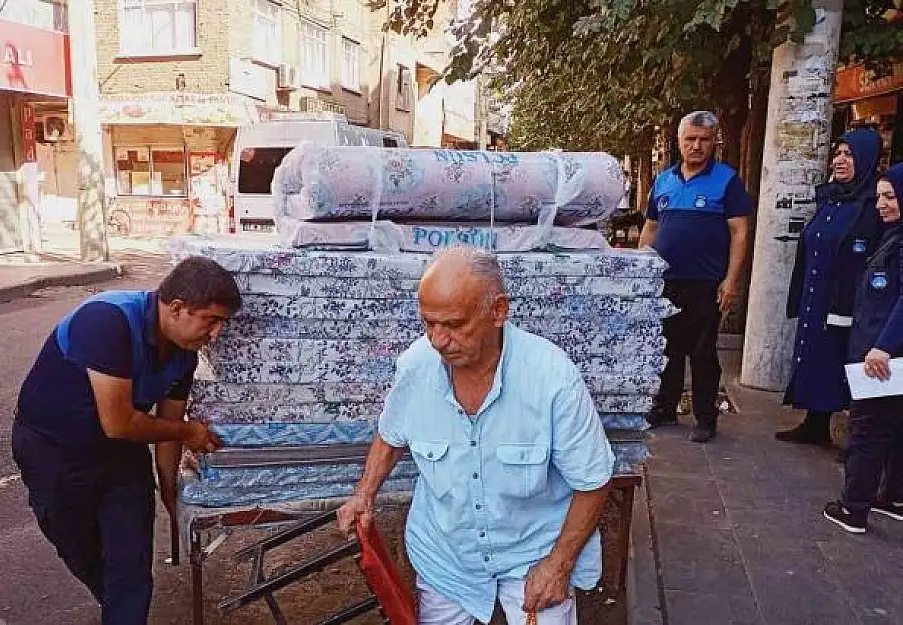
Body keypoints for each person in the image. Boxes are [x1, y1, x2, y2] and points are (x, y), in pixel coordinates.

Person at [336, 247, 614, 625]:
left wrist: (558, 565)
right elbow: (390, 436)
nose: (438, 340)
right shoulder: (416, 368)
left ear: (498, 311)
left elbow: (593, 480)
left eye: (453, 325)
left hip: (533, 550)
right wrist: (364, 494)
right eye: (428, 324)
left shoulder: (553, 378)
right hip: (447, 554)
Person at [12, 256, 240, 625]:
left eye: (222, 324)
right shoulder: (106, 320)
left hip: (120, 456)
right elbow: (119, 422)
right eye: (211, 320)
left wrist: (170, 489)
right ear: (177, 308)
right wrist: (189, 432)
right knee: (81, 550)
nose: (215, 335)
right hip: (52, 451)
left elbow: (168, 421)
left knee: (130, 562)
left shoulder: (184, 354)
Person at [639, 111, 753, 443]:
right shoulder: (664, 181)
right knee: (666, 349)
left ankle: (706, 418)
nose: (696, 146)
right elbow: (652, 226)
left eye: (704, 140)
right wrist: (640, 269)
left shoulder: (727, 181)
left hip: (706, 283)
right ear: (679, 142)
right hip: (665, 282)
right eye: (690, 139)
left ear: (714, 142)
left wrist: (731, 280)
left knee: (703, 353)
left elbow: (740, 232)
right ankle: (665, 408)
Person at [777, 129, 884, 446]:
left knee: (846, 363)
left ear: (866, 160)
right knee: (816, 357)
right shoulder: (831, 198)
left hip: (848, 301)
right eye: (837, 153)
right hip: (817, 294)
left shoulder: (871, 207)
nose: (839, 160)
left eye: (848, 154)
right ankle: (815, 422)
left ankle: (858, 441)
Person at [823, 163, 903, 534]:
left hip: (884, 357)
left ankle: (852, 507)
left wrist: (883, 347)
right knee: (890, 428)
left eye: (890, 197)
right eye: (880, 196)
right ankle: (892, 496)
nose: (881, 205)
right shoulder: (892, 235)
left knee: (868, 429)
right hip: (882, 351)